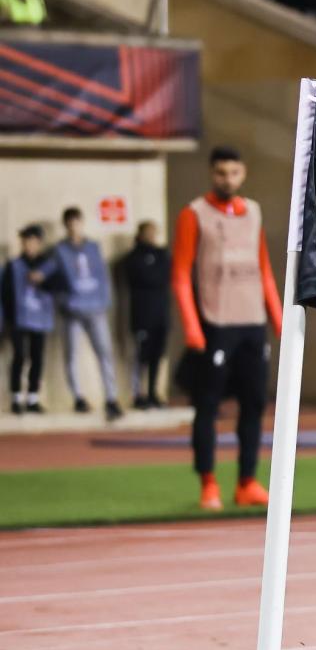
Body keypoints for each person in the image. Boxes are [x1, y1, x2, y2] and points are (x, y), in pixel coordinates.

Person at [172, 146, 282, 510]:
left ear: (243, 173)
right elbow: (181, 275)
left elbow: (263, 268)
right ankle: (208, 483)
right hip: (215, 323)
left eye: (234, 172)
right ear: (211, 173)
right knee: (207, 406)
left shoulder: (253, 212)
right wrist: (192, 327)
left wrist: (279, 318)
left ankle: (247, 481)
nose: (227, 179)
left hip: (251, 324)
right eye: (221, 172)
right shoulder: (194, 214)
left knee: (254, 405)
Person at [51, 207, 123, 420]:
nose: (74, 227)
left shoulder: (93, 247)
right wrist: (64, 301)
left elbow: (102, 276)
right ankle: (79, 397)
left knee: (104, 352)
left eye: (77, 223)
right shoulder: (59, 251)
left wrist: (105, 301)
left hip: (96, 309)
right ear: (66, 226)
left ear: (81, 223)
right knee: (71, 354)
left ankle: (111, 398)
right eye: (70, 224)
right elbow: (51, 276)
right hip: (72, 310)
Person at [2, 225, 57, 414]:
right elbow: (5, 295)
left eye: (32, 242)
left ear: (39, 244)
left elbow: (60, 287)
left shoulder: (48, 266)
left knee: (37, 358)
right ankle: (16, 398)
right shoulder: (13, 265)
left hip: (40, 318)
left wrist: (42, 279)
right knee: (19, 357)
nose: (29, 245)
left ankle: (32, 398)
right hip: (18, 319)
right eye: (26, 241)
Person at [122, 220, 172, 409]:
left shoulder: (162, 254)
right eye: (148, 232)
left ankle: (153, 392)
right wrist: (153, 276)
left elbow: (165, 276)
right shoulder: (133, 257)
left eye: (154, 232)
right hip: (142, 314)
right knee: (140, 356)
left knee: (157, 356)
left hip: (160, 313)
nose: (151, 236)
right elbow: (142, 278)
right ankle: (138, 393)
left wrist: (154, 276)